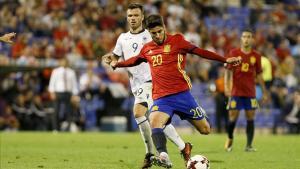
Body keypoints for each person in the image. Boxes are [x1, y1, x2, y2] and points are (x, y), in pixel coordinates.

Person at [109, 14, 241, 168]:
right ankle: (163, 155)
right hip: (161, 98)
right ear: (149, 33)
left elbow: (200, 52)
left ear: (164, 28)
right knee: (154, 121)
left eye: (159, 31)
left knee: (205, 130)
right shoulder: (148, 48)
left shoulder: (177, 41)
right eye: (153, 33)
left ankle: (199, 115)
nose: (157, 36)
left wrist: (225, 60)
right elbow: (135, 60)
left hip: (182, 95)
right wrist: (118, 64)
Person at [101, 4, 191, 169]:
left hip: (152, 81)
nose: (133, 18)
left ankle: (157, 154)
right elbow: (115, 57)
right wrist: (109, 59)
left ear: (142, 17)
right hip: (136, 85)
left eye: (136, 15)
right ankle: (179, 147)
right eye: (130, 16)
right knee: (145, 116)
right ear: (127, 18)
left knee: (147, 115)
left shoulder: (151, 36)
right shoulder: (122, 38)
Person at [224, 29, 268, 152]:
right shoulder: (234, 53)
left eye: (249, 36)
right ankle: (230, 138)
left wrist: (264, 91)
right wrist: (227, 86)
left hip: (250, 92)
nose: (246, 39)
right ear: (241, 39)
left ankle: (248, 145)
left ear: (252, 39)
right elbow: (227, 70)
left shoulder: (256, 56)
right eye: (244, 36)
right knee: (233, 117)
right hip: (236, 92)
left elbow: (259, 75)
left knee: (250, 117)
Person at [48, 57, 79, 131]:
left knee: (69, 112)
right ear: (60, 62)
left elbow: (74, 84)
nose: (64, 63)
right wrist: (52, 92)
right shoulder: (55, 71)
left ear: (67, 63)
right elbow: (52, 83)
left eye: (65, 61)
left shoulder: (71, 72)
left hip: (68, 93)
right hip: (58, 92)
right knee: (56, 111)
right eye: (63, 61)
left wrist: (74, 94)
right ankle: (55, 128)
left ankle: (68, 128)